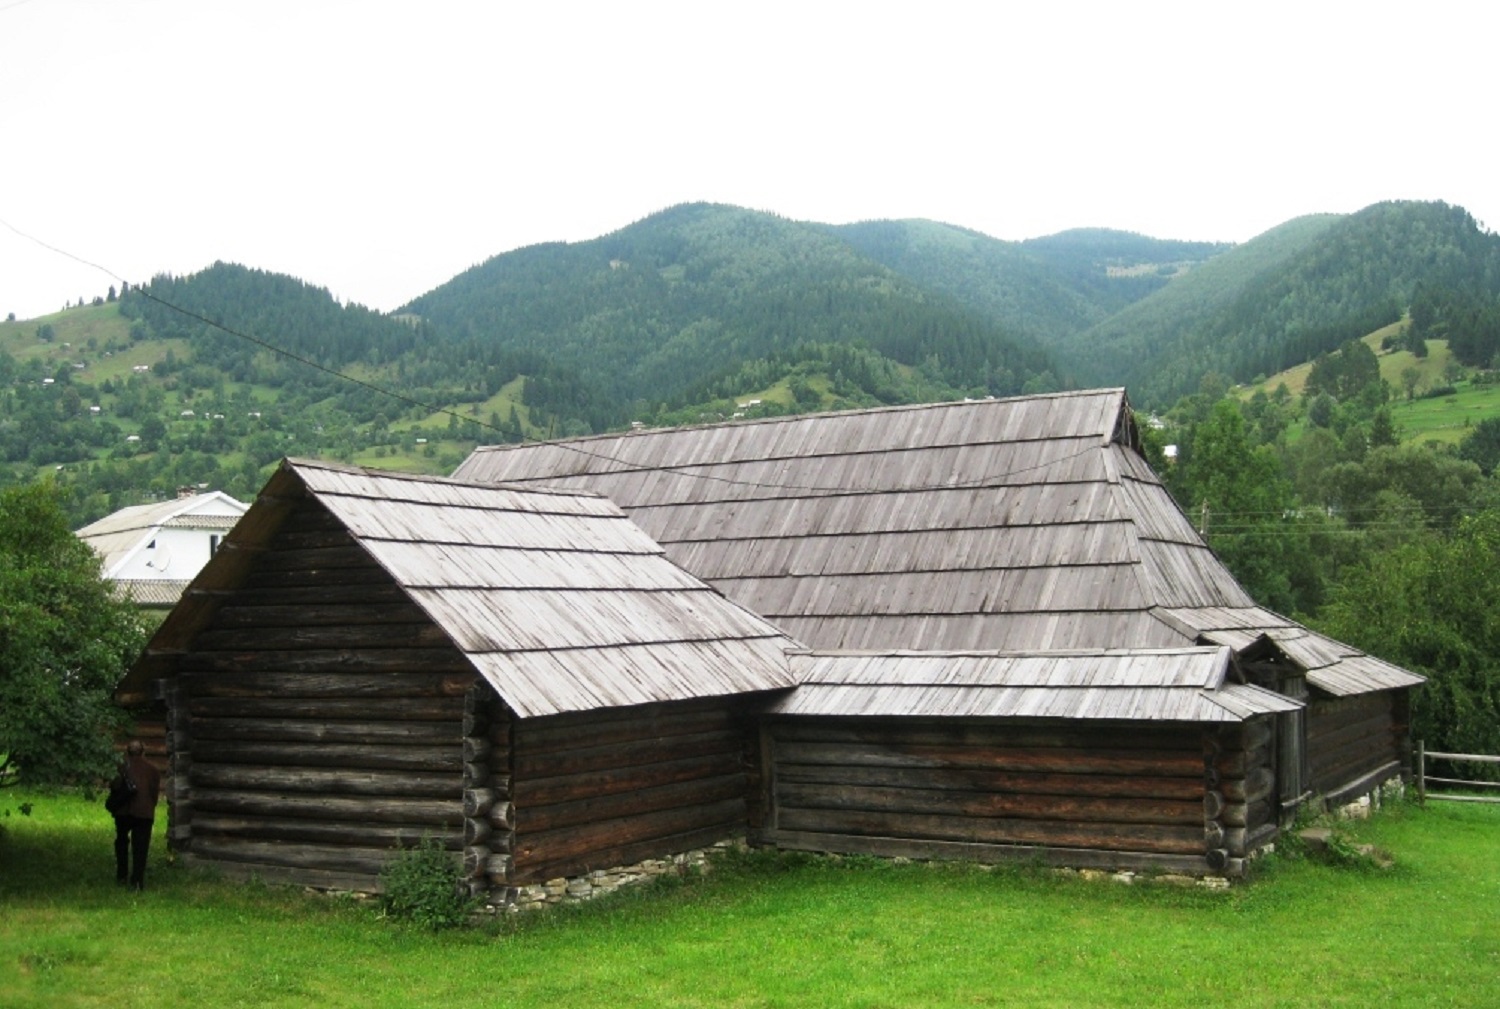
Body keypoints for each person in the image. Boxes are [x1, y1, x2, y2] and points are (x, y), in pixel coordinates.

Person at [112, 740, 162, 891]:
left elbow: (114, 788)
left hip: (123, 812)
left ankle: (122, 875)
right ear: (143, 752)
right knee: (141, 847)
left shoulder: (120, 768)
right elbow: (154, 793)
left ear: (127, 752)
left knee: (121, 842)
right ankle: (137, 881)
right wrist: (150, 806)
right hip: (144, 813)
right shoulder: (152, 770)